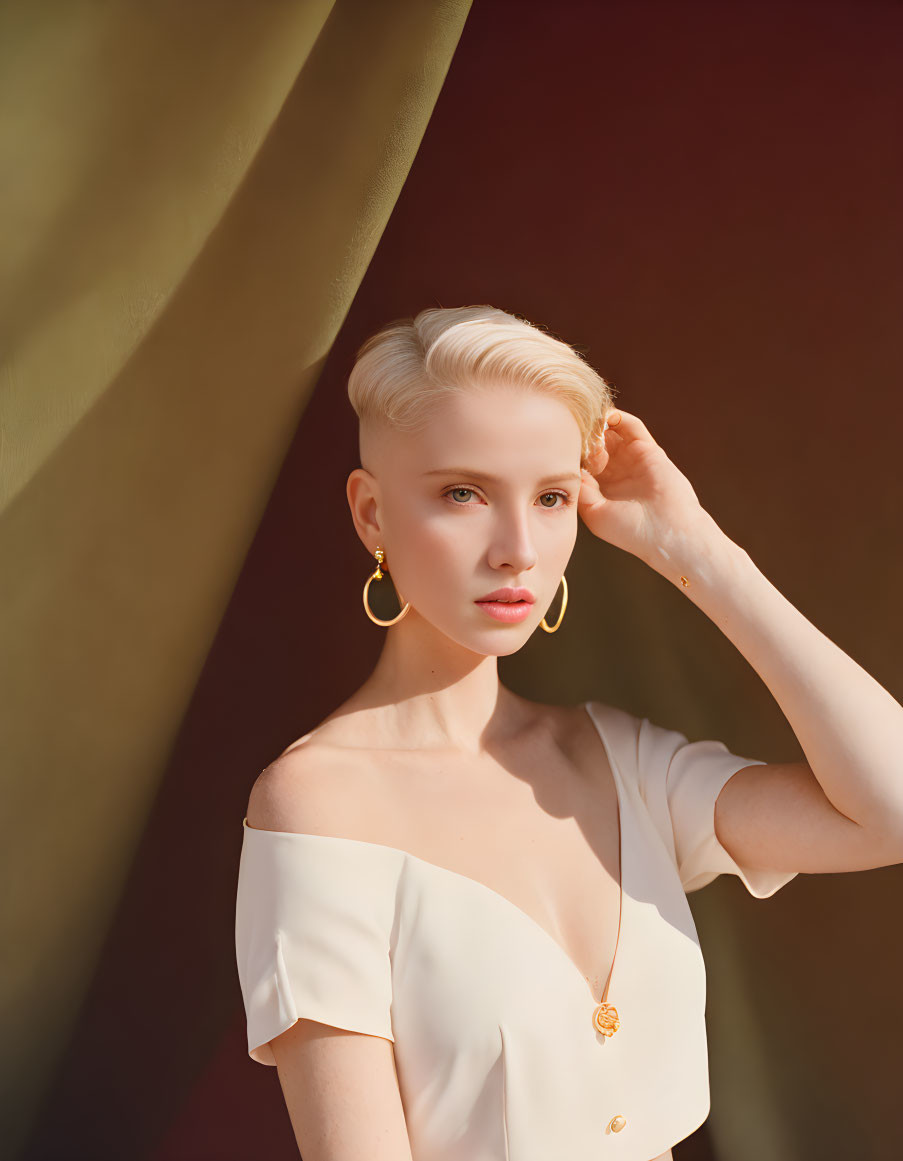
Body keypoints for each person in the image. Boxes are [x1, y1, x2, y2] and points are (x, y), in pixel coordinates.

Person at [235, 305, 903, 1161]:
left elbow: (888, 809)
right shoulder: (318, 806)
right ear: (370, 515)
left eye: (550, 496)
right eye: (463, 493)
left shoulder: (618, 759)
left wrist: (697, 550)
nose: (518, 547)